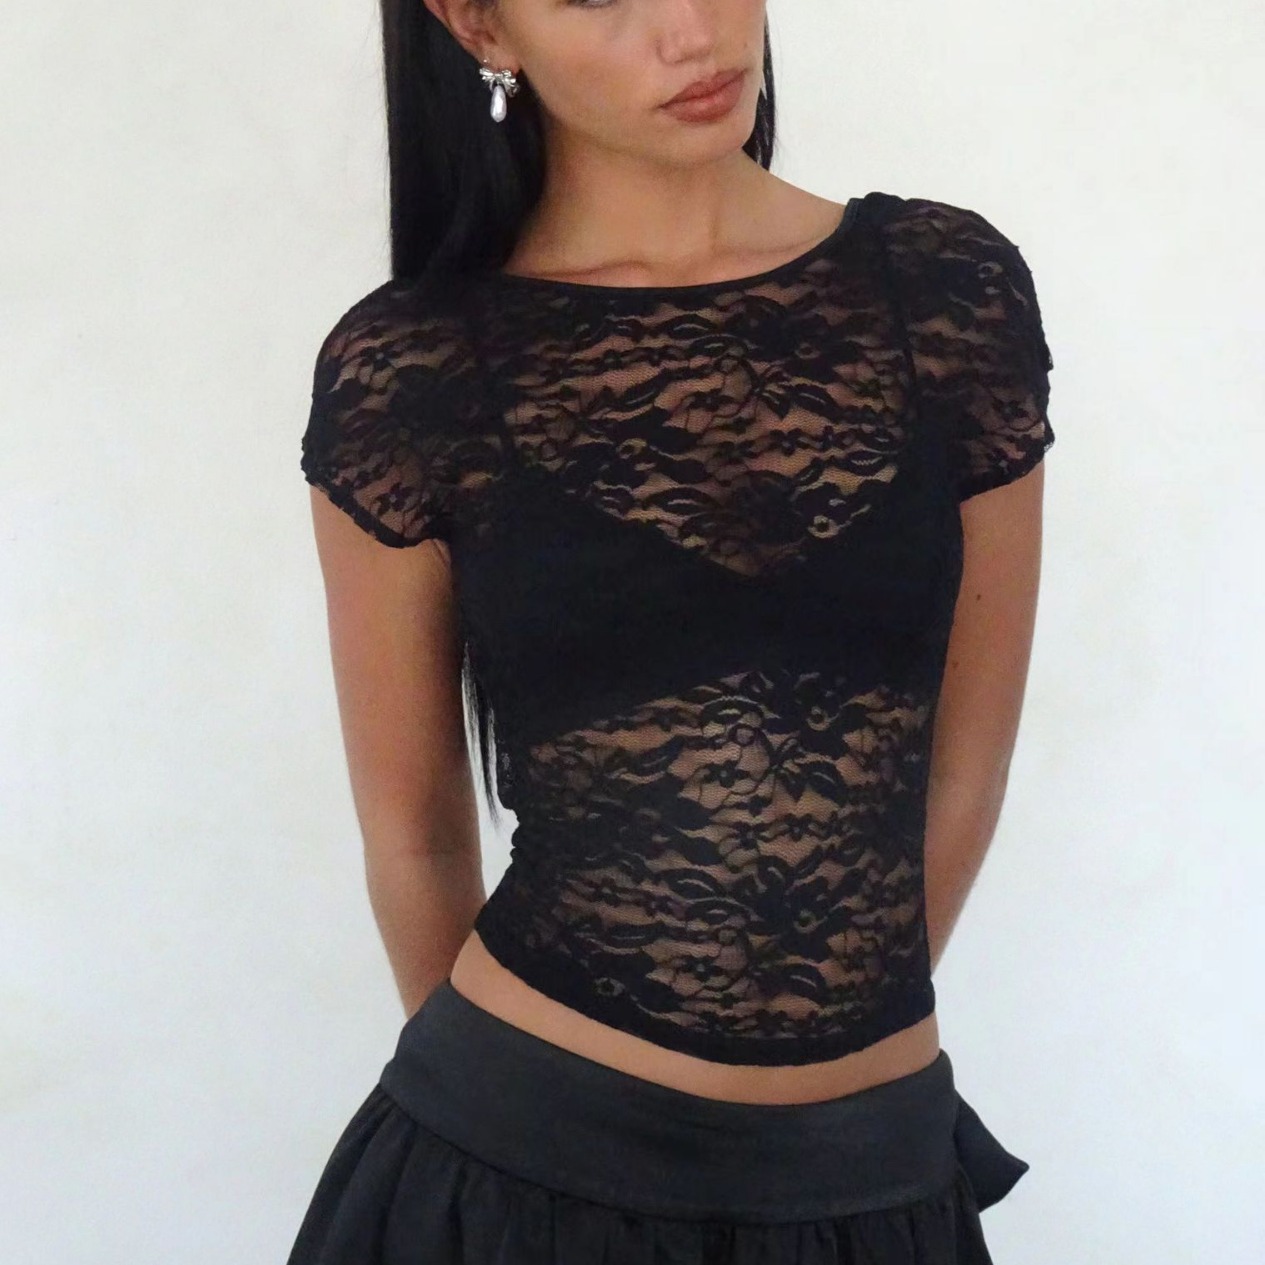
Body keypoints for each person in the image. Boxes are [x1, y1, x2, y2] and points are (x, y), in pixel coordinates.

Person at [286, 1, 1054, 1261]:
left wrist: (820, 1071)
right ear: (479, 24)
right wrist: (526, 1156)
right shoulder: (413, 368)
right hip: (520, 1167)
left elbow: (963, 764)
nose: (690, 28)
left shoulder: (942, 290)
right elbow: (414, 833)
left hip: (874, 1175)